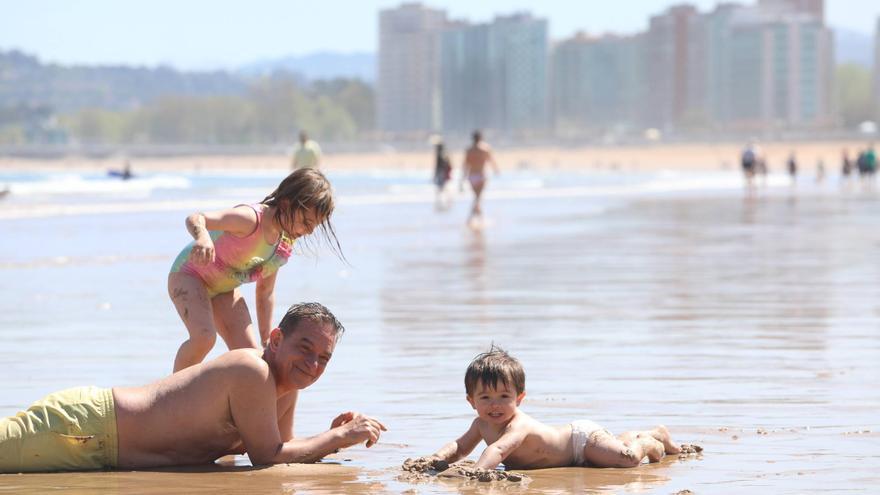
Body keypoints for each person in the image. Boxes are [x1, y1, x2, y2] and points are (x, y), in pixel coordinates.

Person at [0, 303, 387, 473]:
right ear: (275, 339)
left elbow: (283, 451)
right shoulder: (252, 370)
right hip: (86, 426)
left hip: (99, 449)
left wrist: (331, 437)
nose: (313, 364)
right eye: (306, 348)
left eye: (324, 358)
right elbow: (266, 456)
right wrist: (336, 436)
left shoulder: (284, 387)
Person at [169, 168, 341, 372]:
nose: (309, 231)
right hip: (189, 275)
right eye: (306, 222)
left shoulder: (283, 244)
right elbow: (197, 218)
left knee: (255, 360)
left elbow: (265, 293)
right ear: (286, 203)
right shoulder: (250, 219)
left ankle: (233, 401)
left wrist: (267, 339)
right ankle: (173, 395)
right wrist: (203, 238)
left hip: (224, 289)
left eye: (315, 226)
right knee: (204, 337)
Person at [420, 347, 681, 471]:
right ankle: (633, 435)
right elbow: (460, 446)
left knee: (629, 460)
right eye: (485, 397)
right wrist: (436, 458)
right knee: (612, 453)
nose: (495, 405)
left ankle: (650, 438)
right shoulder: (481, 425)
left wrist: (478, 471)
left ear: (519, 398)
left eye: (504, 396)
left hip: (581, 441)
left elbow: (498, 449)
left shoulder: (517, 425)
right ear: (471, 401)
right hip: (576, 455)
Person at [461, 130, 499, 222]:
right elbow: (491, 161)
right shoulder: (485, 149)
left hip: (472, 176)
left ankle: (479, 217)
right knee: (478, 198)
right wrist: (496, 170)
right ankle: (471, 217)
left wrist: (462, 179)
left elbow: (465, 165)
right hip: (481, 175)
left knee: (477, 197)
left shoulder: (469, 150)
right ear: (481, 138)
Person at [433, 141, 452, 210]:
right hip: (444, 174)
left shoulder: (439, 155)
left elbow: (437, 166)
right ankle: (447, 202)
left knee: (440, 189)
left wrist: (435, 175)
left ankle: (441, 203)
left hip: (441, 174)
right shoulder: (446, 154)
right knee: (444, 189)